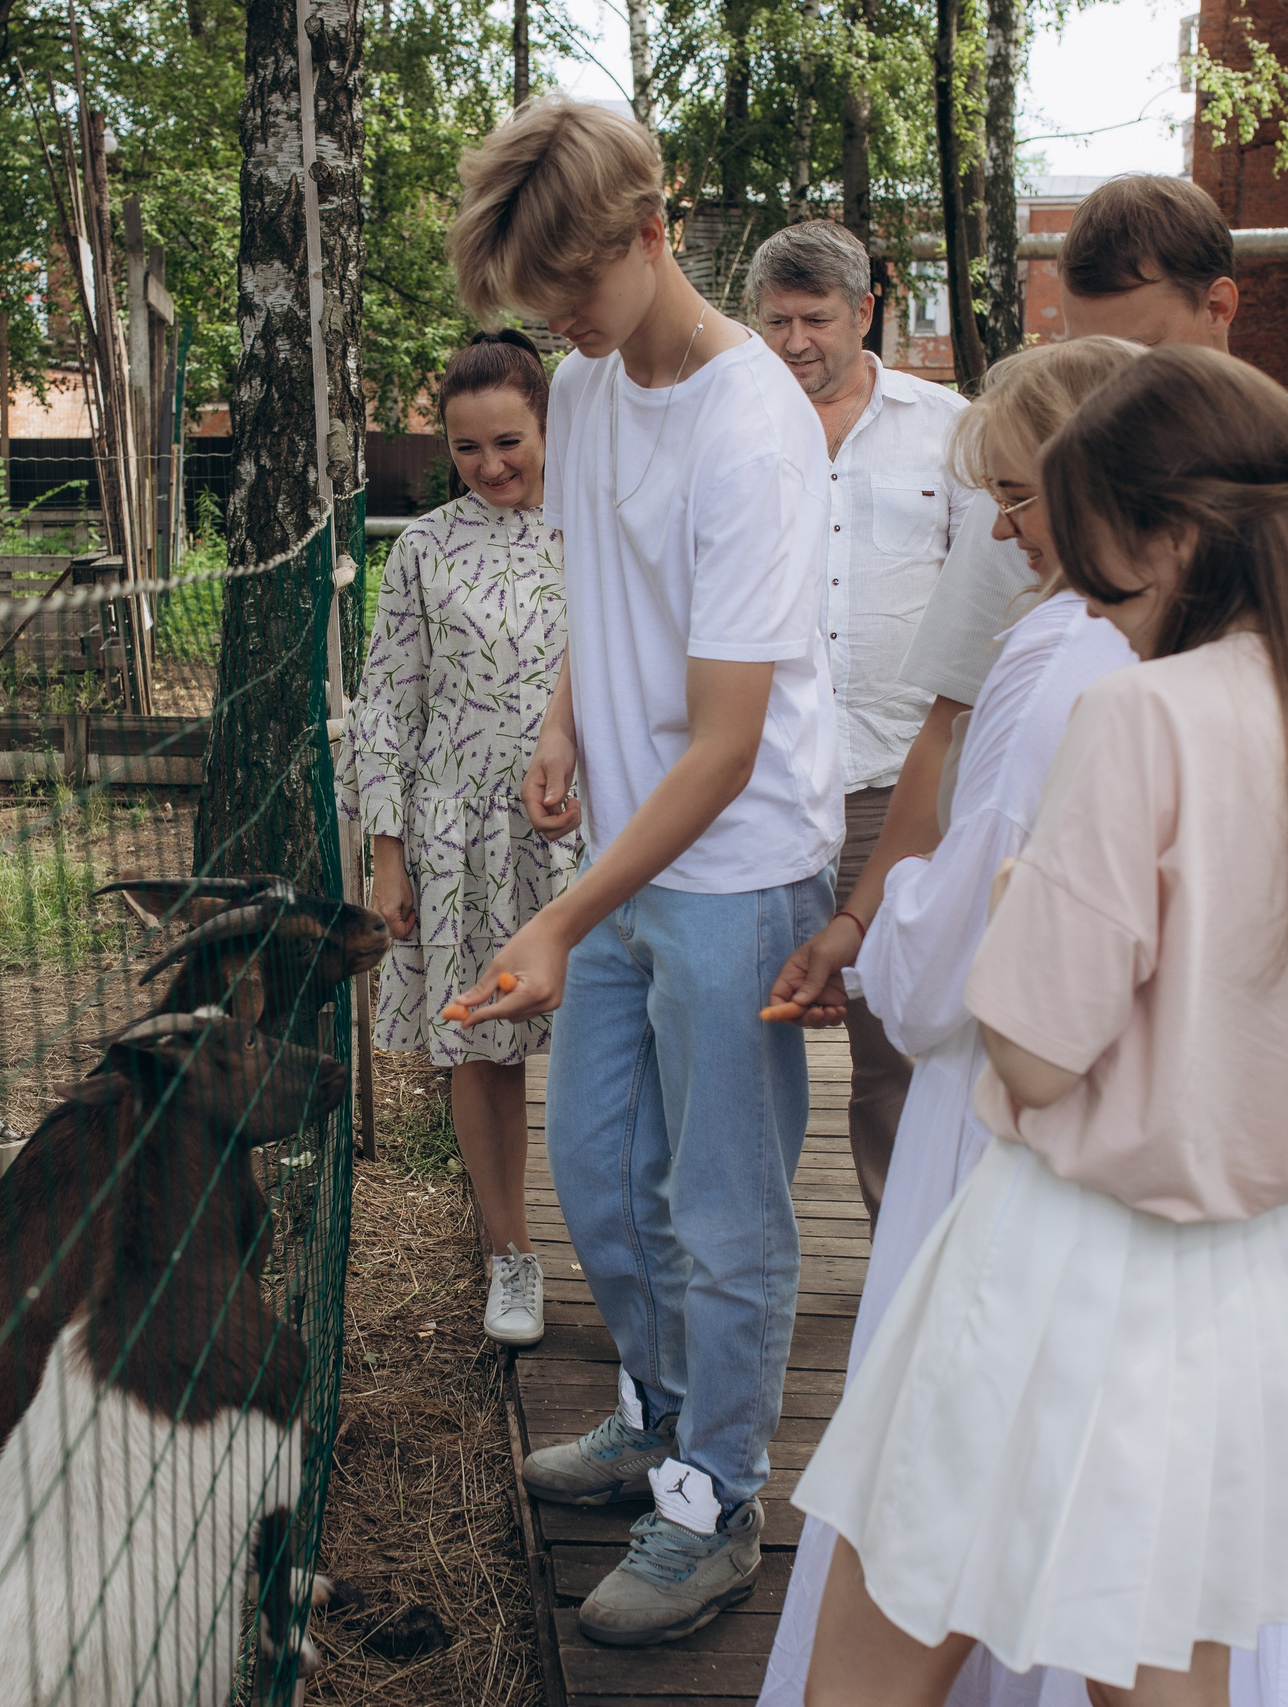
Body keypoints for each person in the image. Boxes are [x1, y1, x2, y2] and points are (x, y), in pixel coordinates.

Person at [769, 173, 1288, 1643]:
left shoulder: (1140, 721)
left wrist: (1015, 905)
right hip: (1256, 1276)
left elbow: (1033, 1056)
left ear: (1161, 533)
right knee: (1169, 1644)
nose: (1087, 601)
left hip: (1066, 1244)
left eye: (1086, 549)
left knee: (895, 1621)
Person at [758, 337, 1288, 1707]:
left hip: (1059, 1191)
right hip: (1250, 1230)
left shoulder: (1096, 678)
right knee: (1163, 1580)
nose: (1007, 533)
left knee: (932, 1544)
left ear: (1126, 509)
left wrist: (938, 922)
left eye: (1021, 496)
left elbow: (1008, 1006)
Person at [440, 96, 840, 1647]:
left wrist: (556, 912)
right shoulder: (594, 381)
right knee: (602, 1181)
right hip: (619, 848)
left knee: (720, 1209)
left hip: (732, 868)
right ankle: (657, 1412)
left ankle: (717, 1494)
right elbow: (604, 594)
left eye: (574, 294)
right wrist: (561, 716)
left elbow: (730, 740)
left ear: (654, 231)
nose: (559, 329)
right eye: (536, 309)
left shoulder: (755, 429)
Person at [354, 329, 577, 1348]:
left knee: (604, 1045)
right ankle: (509, 1258)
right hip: (457, 840)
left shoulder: (596, 532)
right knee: (482, 1053)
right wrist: (388, 853)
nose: (491, 465)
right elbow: (386, 709)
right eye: (468, 447)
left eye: (509, 442)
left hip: (582, 836)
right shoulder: (421, 549)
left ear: (548, 426)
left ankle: (637, 1252)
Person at [749, 218, 974, 1225]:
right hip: (753, 786)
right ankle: (746, 1263)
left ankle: (900, 1266)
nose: (793, 342)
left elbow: (992, 595)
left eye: (814, 319)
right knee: (743, 1046)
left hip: (899, 789)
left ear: (867, 310)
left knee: (898, 1050)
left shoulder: (951, 429)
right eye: (774, 322)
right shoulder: (738, 427)